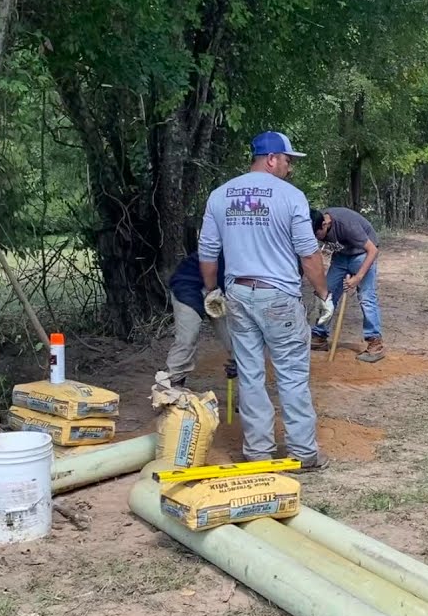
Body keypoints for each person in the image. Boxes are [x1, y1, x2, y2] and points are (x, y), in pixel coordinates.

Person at [198, 130, 335, 471]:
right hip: (278, 297)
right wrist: (323, 295)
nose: (290, 168)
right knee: (291, 374)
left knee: (249, 373)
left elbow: (207, 251)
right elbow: (309, 254)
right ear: (272, 158)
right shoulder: (290, 197)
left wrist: (211, 290)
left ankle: (258, 452)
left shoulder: (219, 195)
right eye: (288, 160)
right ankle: (303, 454)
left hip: (239, 295)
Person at [163, 220, 234, 388]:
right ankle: (173, 389)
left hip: (218, 292)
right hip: (189, 288)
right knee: (187, 339)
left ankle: (249, 397)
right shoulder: (228, 251)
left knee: (236, 340)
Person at [309, 206, 384, 362]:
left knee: (366, 297)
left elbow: (372, 251)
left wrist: (358, 277)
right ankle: (319, 336)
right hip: (341, 256)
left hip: (362, 254)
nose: (317, 238)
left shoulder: (346, 224)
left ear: (324, 225)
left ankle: (375, 343)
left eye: (317, 235)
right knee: (326, 293)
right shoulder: (316, 221)